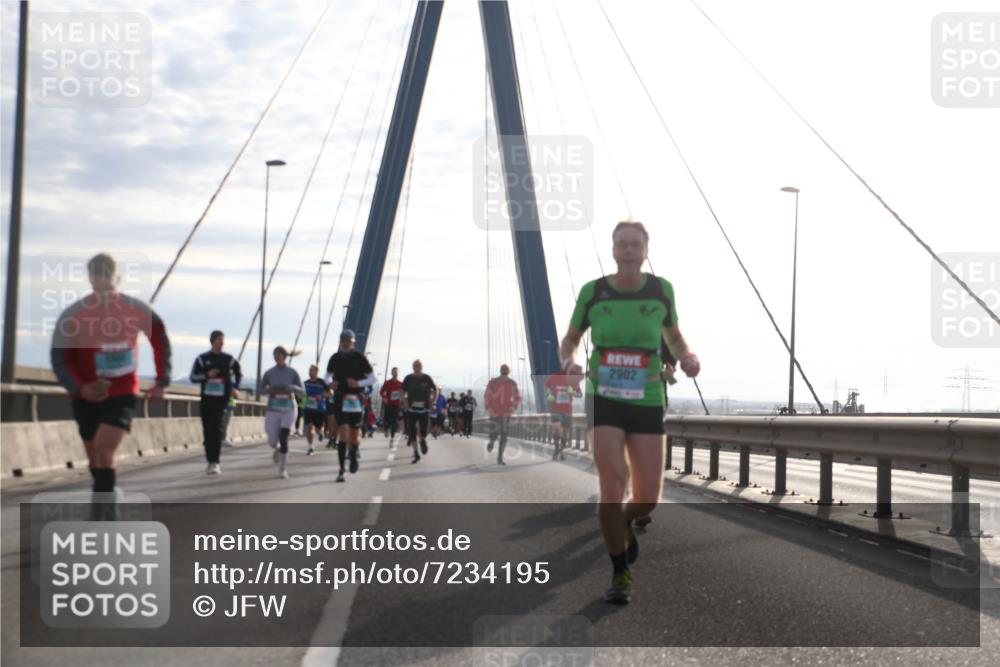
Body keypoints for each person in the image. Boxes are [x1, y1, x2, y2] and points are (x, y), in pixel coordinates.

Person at [560, 220, 700, 605]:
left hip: (648, 397)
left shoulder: (661, 289)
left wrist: (687, 355)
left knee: (648, 499)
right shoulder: (593, 292)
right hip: (603, 396)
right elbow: (570, 340)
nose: (629, 250)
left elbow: (673, 335)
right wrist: (570, 362)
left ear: (645, 250)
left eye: (635, 244)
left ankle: (623, 520)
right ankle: (620, 571)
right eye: (622, 244)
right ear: (613, 249)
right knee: (611, 482)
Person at [51, 253, 172, 520]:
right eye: (97, 273)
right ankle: (109, 492)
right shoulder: (74, 314)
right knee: (95, 458)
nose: (102, 279)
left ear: (116, 277)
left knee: (105, 450)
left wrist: (162, 380)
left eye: (107, 273)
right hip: (85, 395)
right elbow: (60, 357)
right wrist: (80, 387)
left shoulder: (135, 309)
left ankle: (103, 515)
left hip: (122, 392)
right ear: (90, 277)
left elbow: (160, 340)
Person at [325, 329, 376, 482]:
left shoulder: (360, 358)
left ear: (353, 343)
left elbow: (373, 378)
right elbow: (326, 377)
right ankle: (341, 470)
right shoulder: (334, 358)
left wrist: (358, 383)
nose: (345, 343)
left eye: (348, 341)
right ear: (340, 342)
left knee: (354, 435)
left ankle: (354, 451)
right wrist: (330, 384)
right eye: (343, 340)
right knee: (343, 431)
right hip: (341, 398)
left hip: (356, 399)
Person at [189, 330, 242, 475]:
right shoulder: (202, 358)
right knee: (208, 431)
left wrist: (235, 388)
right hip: (207, 400)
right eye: (219, 339)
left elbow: (238, 372)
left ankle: (215, 462)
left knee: (217, 429)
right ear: (212, 341)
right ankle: (209, 460)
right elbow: (193, 377)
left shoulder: (228, 359)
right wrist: (207, 375)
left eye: (223, 340)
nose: (222, 342)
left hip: (222, 399)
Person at [261, 346, 304, 478]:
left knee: (284, 437)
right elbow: (260, 389)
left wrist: (291, 387)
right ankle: (277, 448)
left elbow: (302, 391)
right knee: (272, 441)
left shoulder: (292, 373)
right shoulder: (269, 373)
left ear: (284, 356)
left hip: (289, 409)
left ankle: (282, 469)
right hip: (273, 409)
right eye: (275, 355)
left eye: (279, 355)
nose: (277, 357)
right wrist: (268, 390)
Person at [484, 365, 521, 465]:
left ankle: (500, 457)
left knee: (504, 435)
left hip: (506, 413)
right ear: (500, 371)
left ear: (508, 372)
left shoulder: (512, 383)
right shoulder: (493, 382)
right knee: (494, 434)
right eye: (503, 370)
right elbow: (487, 395)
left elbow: (517, 397)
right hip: (495, 412)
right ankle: (491, 442)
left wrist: (514, 406)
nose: (504, 372)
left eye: (506, 370)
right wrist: (489, 408)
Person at [401, 359, 436, 463]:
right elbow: (402, 390)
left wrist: (433, 402)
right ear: (413, 367)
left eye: (419, 365)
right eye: (415, 365)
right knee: (412, 433)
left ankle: (423, 441)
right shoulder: (408, 378)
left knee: (423, 431)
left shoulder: (426, 378)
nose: (417, 367)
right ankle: (416, 454)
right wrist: (404, 402)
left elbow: (435, 389)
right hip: (411, 410)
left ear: (421, 367)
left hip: (424, 410)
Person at [544, 367, 582, 461]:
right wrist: (549, 396)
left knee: (565, 433)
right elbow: (546, 388)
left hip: (567, 410)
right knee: (556, 427)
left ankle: (561, 451)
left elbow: (580, 394)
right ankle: (557, 449)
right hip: (555, 408)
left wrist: (572, 392)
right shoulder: (553, 377)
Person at [302, 364, 328, 455]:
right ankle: (310, 447)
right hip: (308, 408)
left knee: (318, 429)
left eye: (312, 370)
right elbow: (302, 394)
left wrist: (321, 396)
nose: (310, 372)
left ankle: (321, 433)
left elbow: (330, 392)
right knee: (309, 428)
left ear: (316, 371)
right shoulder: (305, 383)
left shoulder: (322, 382)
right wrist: (302, 402)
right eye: (309, 370)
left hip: (319, 409)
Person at [379, 367, 403, 444]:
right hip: (388, 404)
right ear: (391, 373)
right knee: (386, 419)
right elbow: (381, 392)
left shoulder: (400, 384)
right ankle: (386, 429)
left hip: (396, 405)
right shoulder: (387, 382)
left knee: (394, 421)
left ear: (398, 373)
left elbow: (403, 394)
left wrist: (402, 401)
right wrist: (384, 397)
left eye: (396, 372)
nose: (395, 373)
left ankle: (392, 438)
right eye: (393, 372)